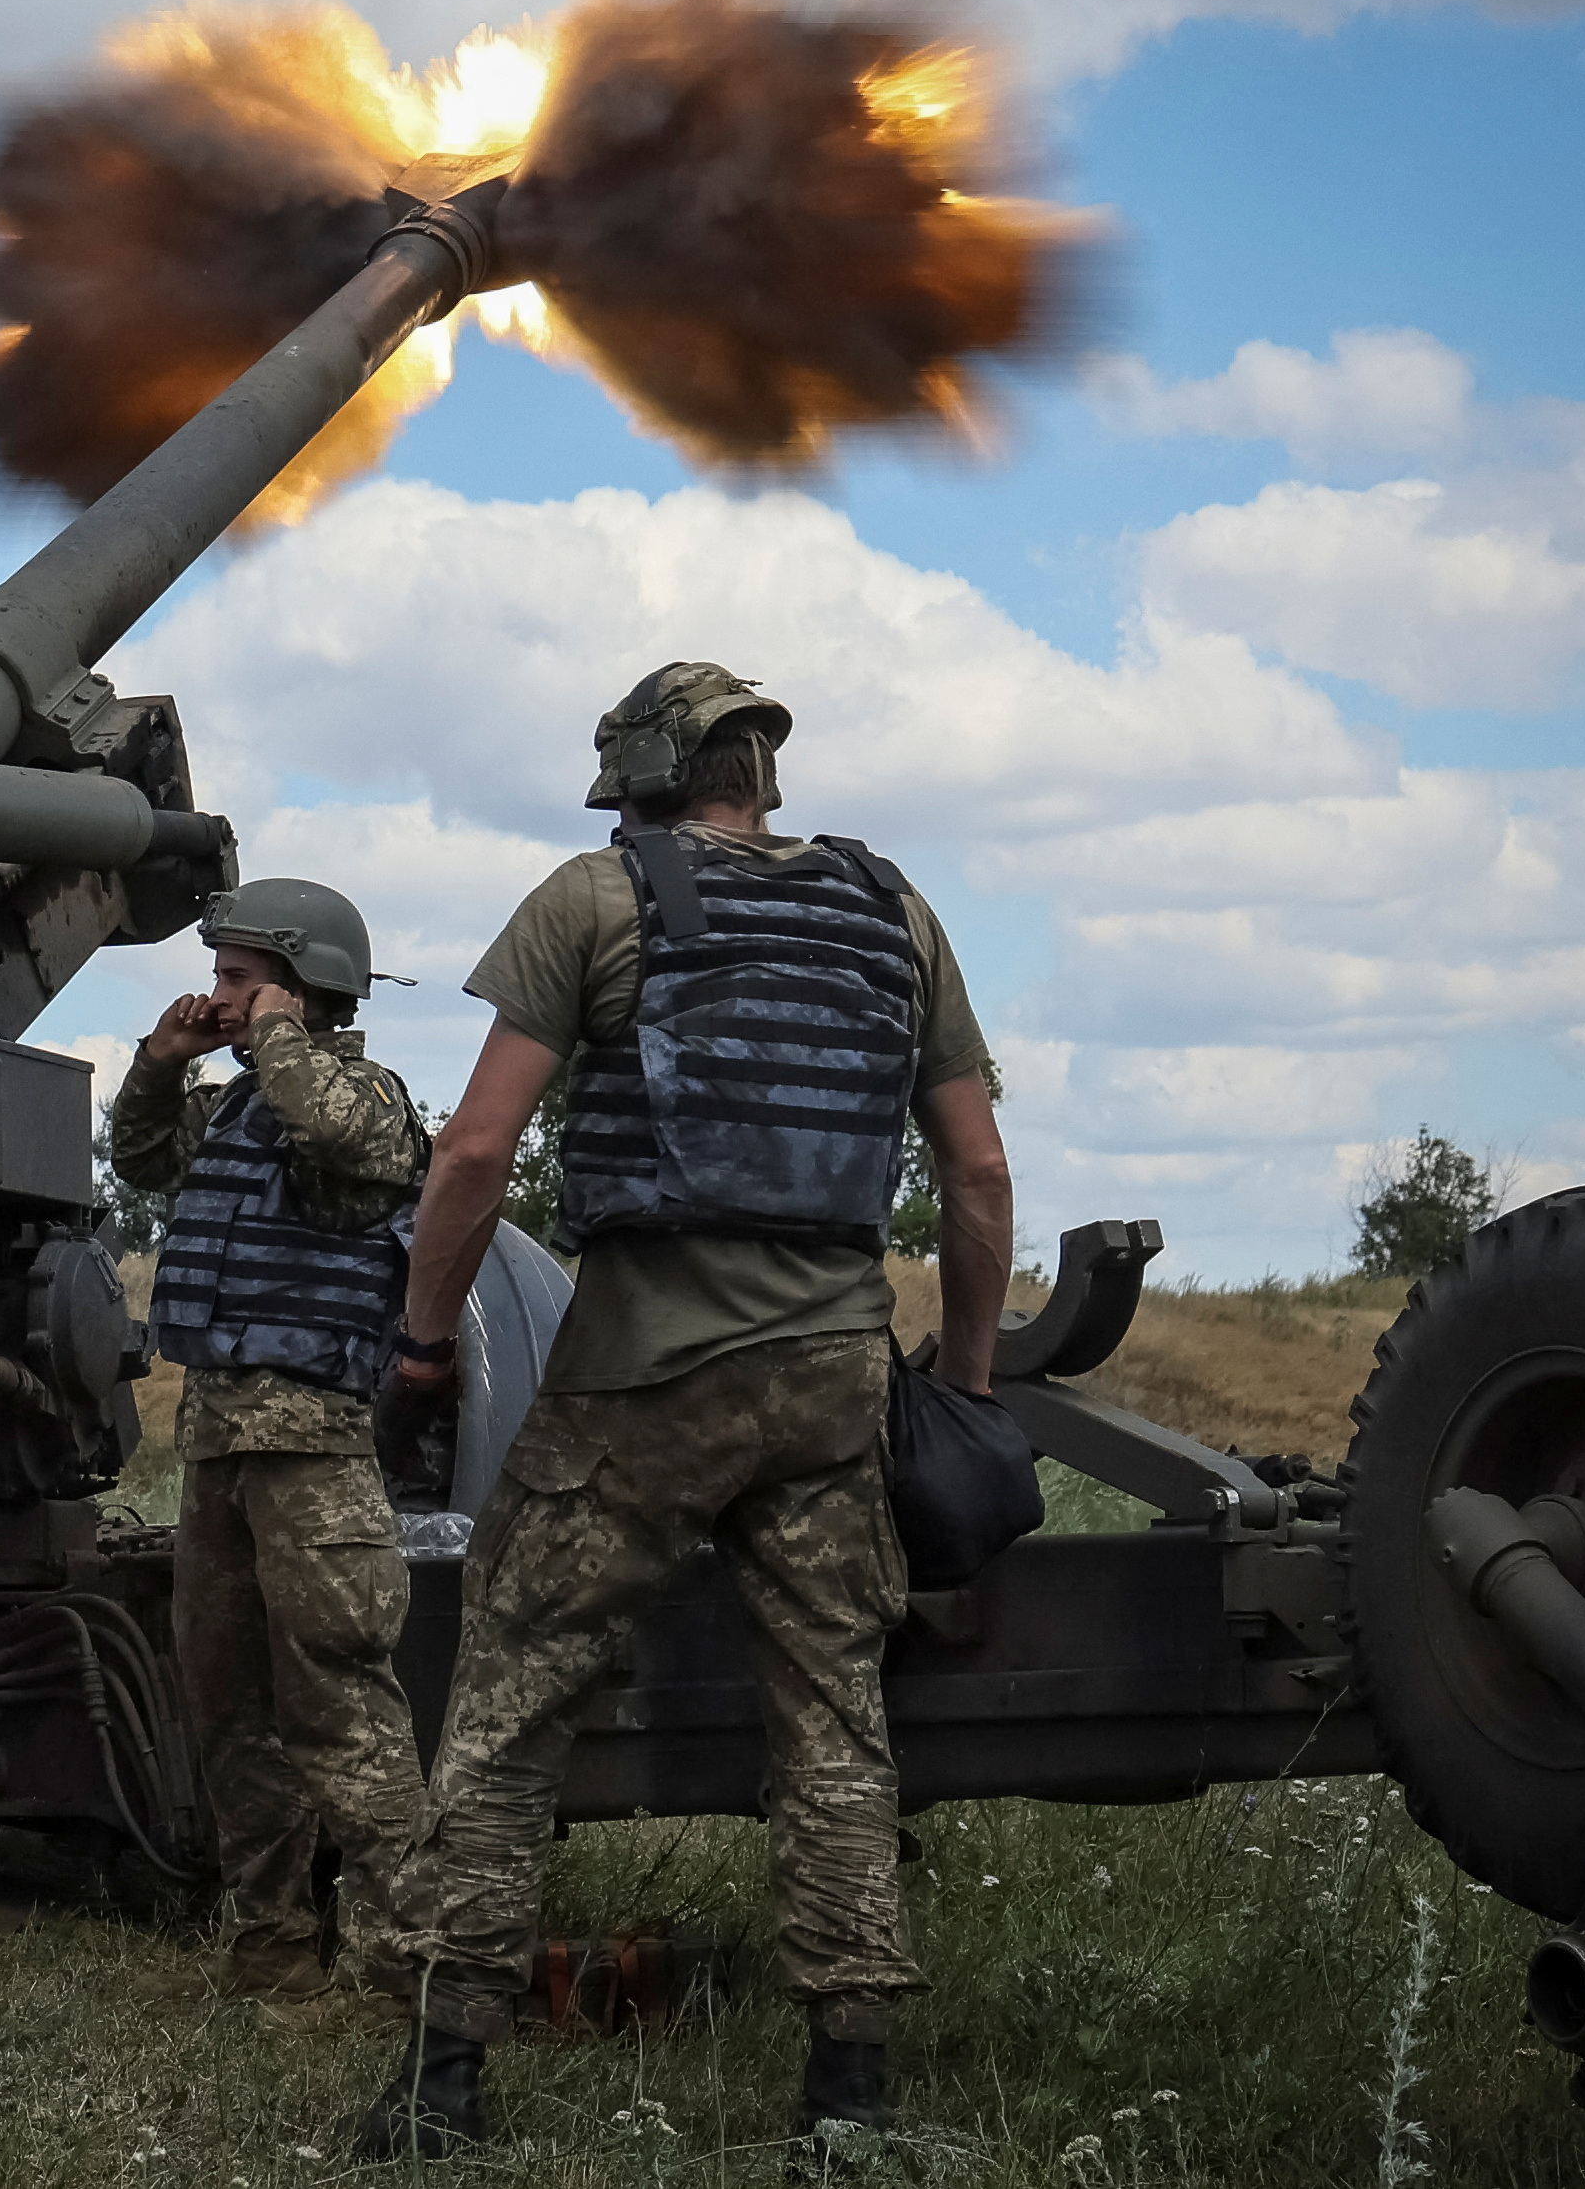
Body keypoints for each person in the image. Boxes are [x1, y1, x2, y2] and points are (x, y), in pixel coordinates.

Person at [349, 664, 1011, 2158]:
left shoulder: (592, 901)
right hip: (836, 1378)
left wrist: (421, 1345)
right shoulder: (894, 912)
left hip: (637, 1378)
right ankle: (847, 2102)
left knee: (510, 1716)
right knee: (836, 1733)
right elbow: (976, 1173)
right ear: (760, 773)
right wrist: (962, 1388)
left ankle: (441, 2091)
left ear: (642, 777)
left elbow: (470, 1156)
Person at [109, 878, 432, 2009]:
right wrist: (159, 1062)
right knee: (229, 1706)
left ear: (303, 987)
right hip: (215, 1449)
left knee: (338, 1705)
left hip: (316, 1457)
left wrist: (282, 1033)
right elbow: (141, 1160)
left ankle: (408, 1970)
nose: (219, 995)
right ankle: (274, 1957)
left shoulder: (363, 1097)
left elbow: (340, 1132)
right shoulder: (240, 1111)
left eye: (241, 977)